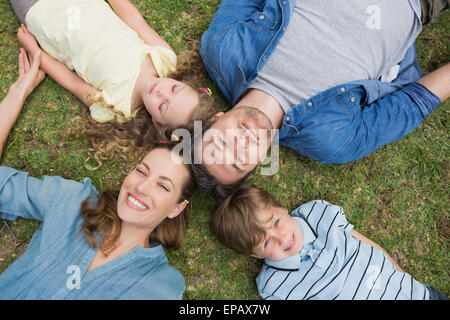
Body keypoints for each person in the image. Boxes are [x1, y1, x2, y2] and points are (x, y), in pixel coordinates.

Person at [194, 0, 449, 198]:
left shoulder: (221, 50)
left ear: (215, 119)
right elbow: (414, 103)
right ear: (260, 161)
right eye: (240, 160)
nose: (239, 143)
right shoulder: (332, 141)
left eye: (220, 143)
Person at [0, 49, 195, 299]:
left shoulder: (159, 287)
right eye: (141, 171)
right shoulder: (73, 202)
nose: (141, 187)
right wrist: (17, 94)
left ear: (176, 208)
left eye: (163, 186)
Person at [211, 184, 448, 300]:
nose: (282, 238)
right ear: (257, 256)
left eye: (275, 223)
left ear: (282, 209)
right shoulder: (274, 285)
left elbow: (368, 245)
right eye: (265, 243)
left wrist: (400, 274)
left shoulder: (317, 214)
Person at [10, 0, 216, 131]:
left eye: (163, 106)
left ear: (157, 123)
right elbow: (132, 17)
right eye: (174, 88)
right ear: (185, 83)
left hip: (43, 15)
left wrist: (35, 52)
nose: (162, 92)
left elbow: (71, 81)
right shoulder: (163, 58)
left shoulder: (117, 109)